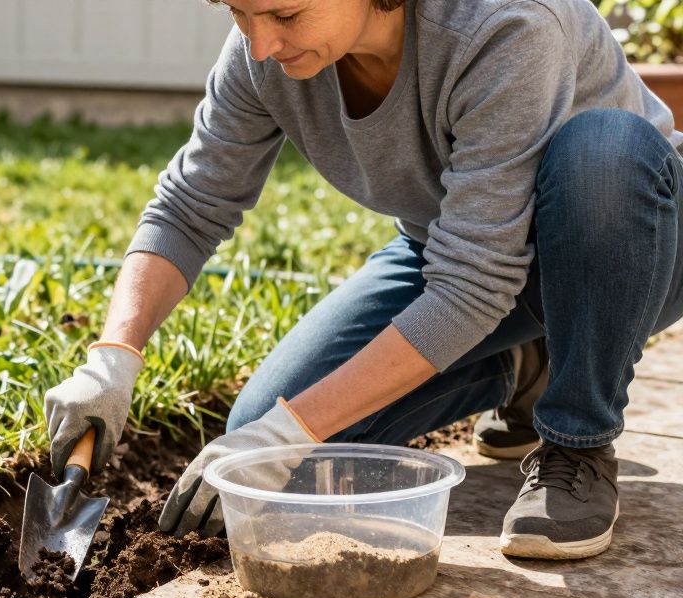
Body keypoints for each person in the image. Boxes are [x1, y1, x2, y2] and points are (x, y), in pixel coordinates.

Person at [44, 0, 683, 560]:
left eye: (285, 16)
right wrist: (114, 358)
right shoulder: (258, 51)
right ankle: (525, 361)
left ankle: (578, 439)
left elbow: (472, 285)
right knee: (266, 450)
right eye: (239, 14)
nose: (260, 44)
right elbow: (190, 206)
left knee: (603, 148)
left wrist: (295, 432)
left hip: (633, 251)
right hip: (464, 257)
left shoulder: (505, 22)